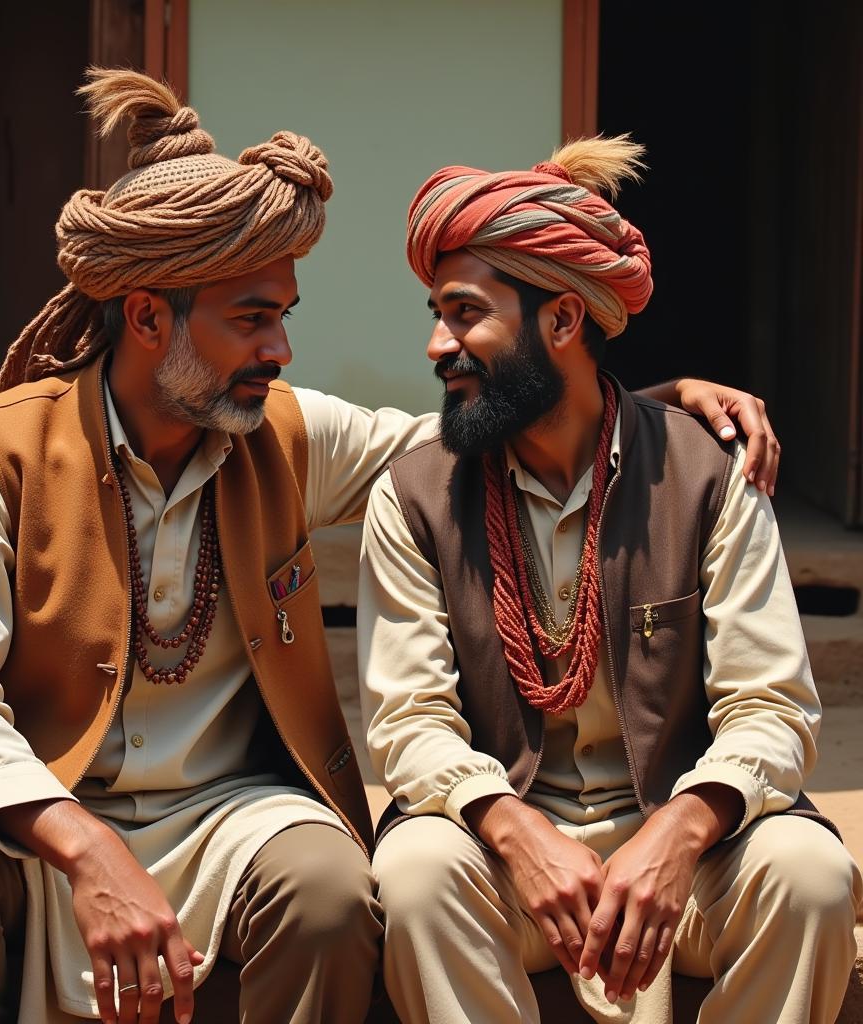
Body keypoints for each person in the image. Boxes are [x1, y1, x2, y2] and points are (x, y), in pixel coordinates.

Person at [0, 70, 781, 1024]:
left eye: (284, 316)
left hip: (235, 822)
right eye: (253, 318)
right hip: (41, 822)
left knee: (336, 890)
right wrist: (86, 849)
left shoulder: (286, 433)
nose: (282, 348)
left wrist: (652, 412)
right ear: (149, 316)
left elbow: (483, 427)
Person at [358, 135, 863, 1024]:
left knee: (813, 876)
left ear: (561, 321)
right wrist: (520, 837)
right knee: (414, 872)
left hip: (687, 864)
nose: (439, 344)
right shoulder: (415, 493)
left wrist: (683, 829)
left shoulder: (704, 476)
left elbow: (774, 706)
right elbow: (409, 723)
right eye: (435, 313)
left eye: (465, 313)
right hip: (509, 863)